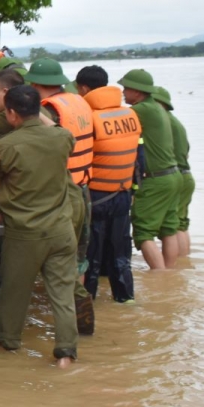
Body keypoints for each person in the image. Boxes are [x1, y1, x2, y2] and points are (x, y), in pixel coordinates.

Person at [0, 85, 78, 367]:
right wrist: (37, 114)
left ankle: (7, 343)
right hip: (61, 229)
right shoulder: (62, 138)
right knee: (62, 294)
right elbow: (55, 127)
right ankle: (66, 354)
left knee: (13, 291)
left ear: (10, 113)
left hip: (25, 233)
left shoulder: (7, 146)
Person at [24, 58, 96, 335]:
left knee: (61, 263)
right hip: (84, 187)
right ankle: (82, 322)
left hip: (64, 194)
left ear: (35, 85)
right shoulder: (80, 102)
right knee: (78, 258)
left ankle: (71, 322)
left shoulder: (49, 110)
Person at [78, 65, 141, 304]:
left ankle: (89, 304)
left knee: (92, 255)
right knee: (121, 254)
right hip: (122, 193)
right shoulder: (130, 114)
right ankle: (126, 301)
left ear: (84, 88)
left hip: (97, 197)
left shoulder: (90, 118)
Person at [119, 69, 181, 270]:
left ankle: (160, 276)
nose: (123, 93)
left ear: (137, 92)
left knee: (144, 232)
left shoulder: (141, 109)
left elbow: (114, 116)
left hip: (156, 179)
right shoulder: (158, 108)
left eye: (126, 89)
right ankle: (170, 276)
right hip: (173, 176)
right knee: (168, 229)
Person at [153, 87, 193, 258]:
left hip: (172, 175)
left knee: (171, 226)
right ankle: (182, 264)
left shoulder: (162, 122)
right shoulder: (176, 122)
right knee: (180, 224)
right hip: (186, 175)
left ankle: (171, 270)